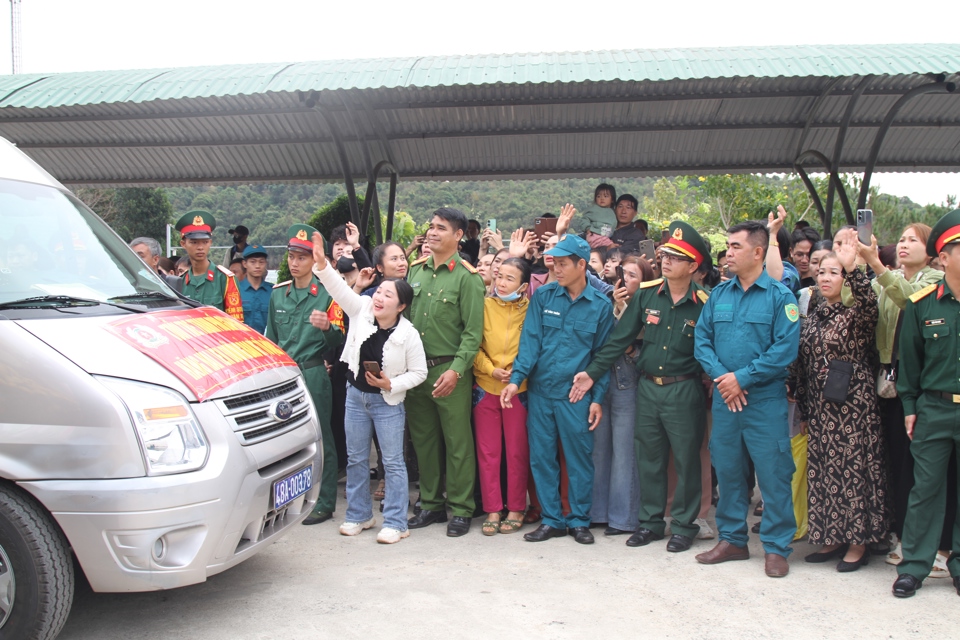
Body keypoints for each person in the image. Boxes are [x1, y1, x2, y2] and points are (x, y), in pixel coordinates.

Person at [573, 222, 710, 552]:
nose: (666, 261)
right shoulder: (648, 294)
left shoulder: (705, 302)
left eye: (677, 258)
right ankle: (650, 523)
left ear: (693, 266)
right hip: (647, 387)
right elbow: (618, 340)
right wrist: (591, 373)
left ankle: (683, 525)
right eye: (665, 255)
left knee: (686, 460)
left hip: (684, 389)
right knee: (648, 458)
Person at [693, 220, 800, 578]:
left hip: (764, 401)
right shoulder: (719, 295)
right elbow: (702, 341)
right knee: (729, 471)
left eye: (736, 246)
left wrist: (743, 378)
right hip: (726, 400)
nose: (728, 253)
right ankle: (733, 541)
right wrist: (726, 379)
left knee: (773, 474)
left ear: (758, 252)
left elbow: (785, 349)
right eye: (727, 246)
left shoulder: (779, 297)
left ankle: (776, 547)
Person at [311, 231, 427, 544]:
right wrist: (322, 265)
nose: (379, 298)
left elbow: (419, 372)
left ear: (400, 305)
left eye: (388, 296)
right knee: (357, 459)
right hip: (355, 397)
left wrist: (392, 383)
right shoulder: (361, 308)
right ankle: (359, 514)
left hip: (387, 403)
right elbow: (337, 288)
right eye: (379, 292)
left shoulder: (409, 335)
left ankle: (395, 521)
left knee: (392, 463)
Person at [501, 233, 614, 545]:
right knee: (542, 458)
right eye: (554, 262)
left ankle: (579, 520)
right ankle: (552, 520)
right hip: (541, 392)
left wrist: (597, 399)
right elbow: (530, 344)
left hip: (575, 396)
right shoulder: (544, 297)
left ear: (581, 265)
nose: (556, 268)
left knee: (579, 459)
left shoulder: (601, 306)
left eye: (563, 263)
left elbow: (602, 358)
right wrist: (515, 380)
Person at [853, 224, 949, 572]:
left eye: (914, 240)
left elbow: (908, 300)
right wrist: (853, 266)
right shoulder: (887, 276)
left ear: (934, 250)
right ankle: (894, 530)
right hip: (882, 379)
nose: (905, 245)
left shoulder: (934, 281)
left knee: (917, 467)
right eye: (903, 239)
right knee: (890, 459)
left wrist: (875, 265)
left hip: (916, 383)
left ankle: (930, 543)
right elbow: (857, 304)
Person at [792, 239, 889, 571]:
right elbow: (804, 365)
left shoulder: (855, 314)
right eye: (822, 272)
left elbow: (869, 300)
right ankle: (831, 536)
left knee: (853, 472)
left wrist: (853, 266)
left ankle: (857, 542)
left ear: (845, 279)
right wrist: (804, 407)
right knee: (824, 473)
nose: (825, 278)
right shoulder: (814, 315)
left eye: (834, 273)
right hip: (821, 408)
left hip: (853, 409)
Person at [891, 208, 960, 598]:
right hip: (933, 409)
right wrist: (910, 408)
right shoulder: (922, 305)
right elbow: (910, 364)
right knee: (925, 490)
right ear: (944, 257)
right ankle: (914, 565)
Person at [404, 208, 485, 537]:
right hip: (417, 373)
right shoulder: (415, 272)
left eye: (441, 228)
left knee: (457, 443)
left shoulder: (468, 277)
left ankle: (463, 508)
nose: (432, 232)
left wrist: (456, 371)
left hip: (450, 371)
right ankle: (431, 504)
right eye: (431, 227)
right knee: (424, 442)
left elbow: (472, 333)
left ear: (458, 235)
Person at [266, 224, 344, 525]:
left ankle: (324, 501)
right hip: (285, 376)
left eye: (302, 257)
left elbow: (338, 340)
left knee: (321, 436)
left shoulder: (326, 295)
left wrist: (327, 327)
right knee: (283, 440)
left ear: (314, 261)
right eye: (291, 256)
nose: (295, 262)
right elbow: (272, 340)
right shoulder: (278, 296)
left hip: (313, 372)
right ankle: (286, 500)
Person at [474, 257, 531, 535]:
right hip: (486, 387)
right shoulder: (483, 306)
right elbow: (473, 343)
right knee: (488, 453)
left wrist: (516, 373)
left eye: (510, 278)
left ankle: (517, 507)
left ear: (522, 286)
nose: (501, 282)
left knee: (517, 452)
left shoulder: (531, 310)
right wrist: (490, 369)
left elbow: (533, 347)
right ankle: (493, 509)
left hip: (518, 390)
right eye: (499, 276)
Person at [175, 210, 243, 321]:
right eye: (194, 242)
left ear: (210, 242)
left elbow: (236, 323)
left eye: (205, 242)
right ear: (183, 244)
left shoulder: (225, 279)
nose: (200, 247)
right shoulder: (179, 283)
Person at [239, 244, 272, 334]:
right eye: (253, 262)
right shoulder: (236, 290)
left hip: (267, 344)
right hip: (242, 343)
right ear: (244, 264)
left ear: (265, 263)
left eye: (261, 262)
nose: (257, 266)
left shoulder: (273, 292)